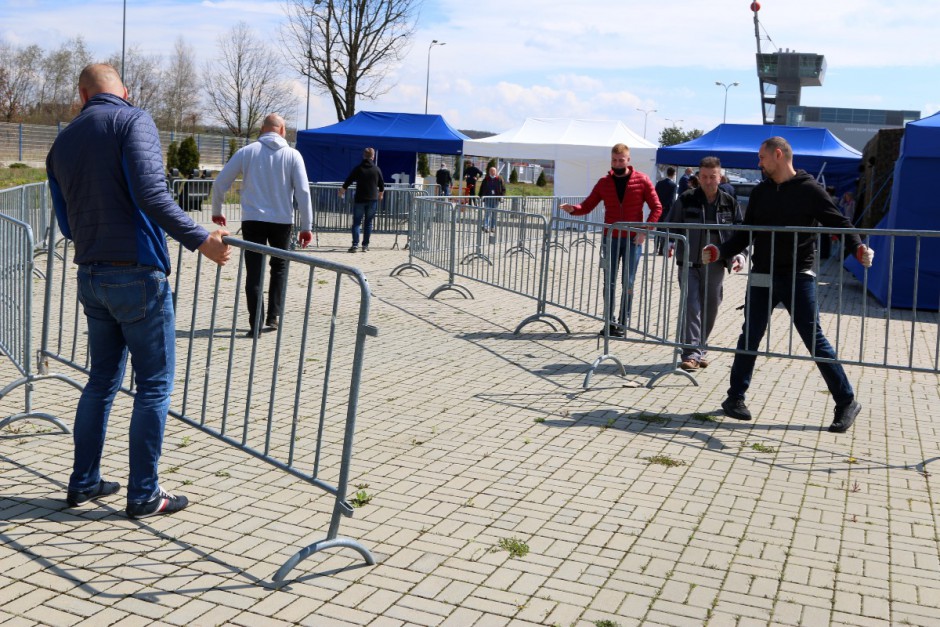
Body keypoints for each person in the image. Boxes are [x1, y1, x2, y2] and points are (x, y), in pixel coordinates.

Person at [46, 63, 232, 519]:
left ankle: (84, 481)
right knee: (153, 386)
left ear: (82, 95)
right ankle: (144, 494)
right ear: (123, 91)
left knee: (101, 382)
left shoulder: (62, 142)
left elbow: (66, 221)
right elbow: (152, 194)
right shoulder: (133, 120)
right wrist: (200, 240)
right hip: (137, 273)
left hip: (91, 272)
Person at [702, 136, 875, 433]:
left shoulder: (810, 190)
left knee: (814, 340)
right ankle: (734, 398)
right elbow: (747, 232)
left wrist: (857, 247)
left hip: (799, 275)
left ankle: (846, 401)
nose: (759, 163)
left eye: (762, 158)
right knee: (749, 336)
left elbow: (839, 223)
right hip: (762, 274)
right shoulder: (760, 192)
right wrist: (722, 251)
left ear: (778, 155)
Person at [212, 113, 313, 337]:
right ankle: (273, 316)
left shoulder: (247, 152)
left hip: (253, 220)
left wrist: (217, 211)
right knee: (279, 268)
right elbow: (304, 193)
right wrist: (307, 226)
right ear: (283, 130)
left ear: (262, 129)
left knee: (254, 271)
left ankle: (255, 324)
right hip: (281, 221)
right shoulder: (293, 155)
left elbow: (220, 183)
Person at [560, 143, 663, 336]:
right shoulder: (604, 182)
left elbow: (657, 207)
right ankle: (609, 322)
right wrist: (573, 209)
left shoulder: (642, 180)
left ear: (628, 160)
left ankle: (624, 323)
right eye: (614, 160)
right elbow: (588, 205)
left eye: (621, 160)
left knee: (628, 282)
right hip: (611, 239)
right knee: (609, 282)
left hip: (633, 240)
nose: (617, 163)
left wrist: (644, 231)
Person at [664, 157, 746, 371]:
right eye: (704, 177)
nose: (709, 181)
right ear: (698, 177)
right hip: (689, 262)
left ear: (720, 177)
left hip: (716, 265)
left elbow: (740, 233)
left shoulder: (730, 201)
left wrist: (740, 255)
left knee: (710, 309)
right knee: (692, 306)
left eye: (713, 177)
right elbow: (672, 224)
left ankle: (700, 349)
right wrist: (670, 242)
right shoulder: (686, 198)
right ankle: (690, 354)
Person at [340, 147, 385, 253]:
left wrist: (343, 190)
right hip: (372, 199)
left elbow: (349, 180)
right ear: (373, 157)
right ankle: (365, 246)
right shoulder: (377, 169)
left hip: (360, 198)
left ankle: (355, 245)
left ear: (363, 156)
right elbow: (382, 185)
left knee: (356, 223)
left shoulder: (358, 168)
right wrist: (380, 194)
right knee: (368, 223)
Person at [654, 167, 678, 255]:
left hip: (659, 208)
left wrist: (659, 205)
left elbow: (655, 196)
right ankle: (661, 249)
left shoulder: (659, 183)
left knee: (658, 229)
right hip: (667, 210)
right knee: (665, 230)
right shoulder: (673, 185)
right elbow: (671, 199)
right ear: (673, 174)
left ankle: (655, 247)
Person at [478, 166, 506, 232]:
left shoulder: (499, 179)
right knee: (487, 213)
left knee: (494, 213)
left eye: (494, 171)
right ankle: (486, 226)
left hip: (496, 199)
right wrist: (480, 196)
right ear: (489, 172)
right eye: (491, 171)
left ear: (496, 172)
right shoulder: (486, 179)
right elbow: (482, 188)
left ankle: (493, 227)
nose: (492, 172)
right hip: (487, 198)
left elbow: (503, 189)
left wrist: (502, 196)